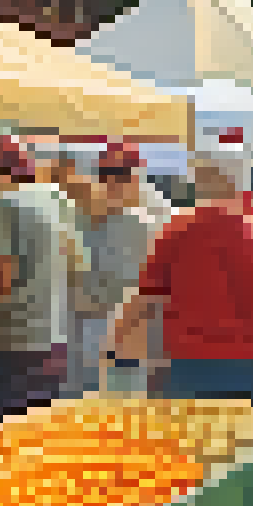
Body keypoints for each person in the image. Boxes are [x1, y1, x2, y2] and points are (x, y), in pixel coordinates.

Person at [108, 148, 253, 450]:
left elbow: (144, 299)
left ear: (210, 178)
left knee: (184, 473)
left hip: (191, 368)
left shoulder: (179, 230)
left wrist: (114, 347)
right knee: (249, 472)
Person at [0, 141, 72, 425]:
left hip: (9, 347)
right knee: (35, 442)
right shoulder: (56, 199)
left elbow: (0, 280)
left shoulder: (5, 205)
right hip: (52, 339)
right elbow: (77, 263)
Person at [69, 143, 172, 396]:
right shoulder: (85, 218)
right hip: (92, 333)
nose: (113, 181)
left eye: (122, 173)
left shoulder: (159, 218)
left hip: (137, 337)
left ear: (138, 175)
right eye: (105, 174)